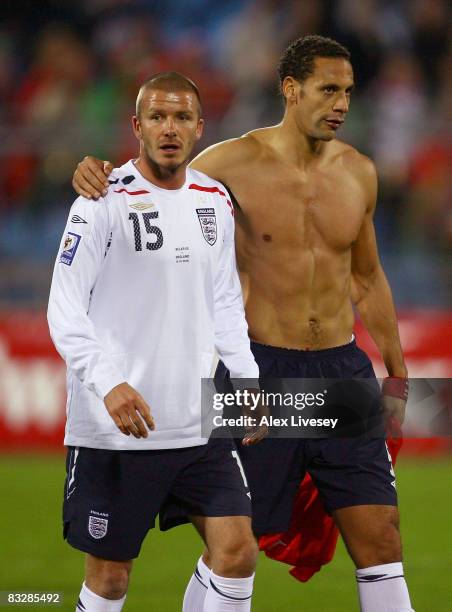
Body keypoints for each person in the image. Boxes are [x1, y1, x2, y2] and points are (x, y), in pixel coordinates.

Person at [72, 36, 414, 612]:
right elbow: (157, 174)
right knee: (237, 547)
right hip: (261, 372)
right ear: (290, 89)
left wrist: (397, 372)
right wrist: (97, 174)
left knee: (381, 536)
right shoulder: (229, 163)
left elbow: (367, 277)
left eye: (349, 93)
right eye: (328, 90)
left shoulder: (360, 172)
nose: (342, 104)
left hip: (343, 373)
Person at [48, 71, 266, 612]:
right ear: (137, 126)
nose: (170, 128)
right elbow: (64, 310)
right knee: (110, 581)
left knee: (237, 553)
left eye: (182, 117)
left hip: (197, 422)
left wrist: (247, 379)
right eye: (157, 116)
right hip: (117, 430)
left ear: (199, 127)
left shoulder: (214, 199)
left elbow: (223, 301)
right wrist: (109, 384)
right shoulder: (100, 200)